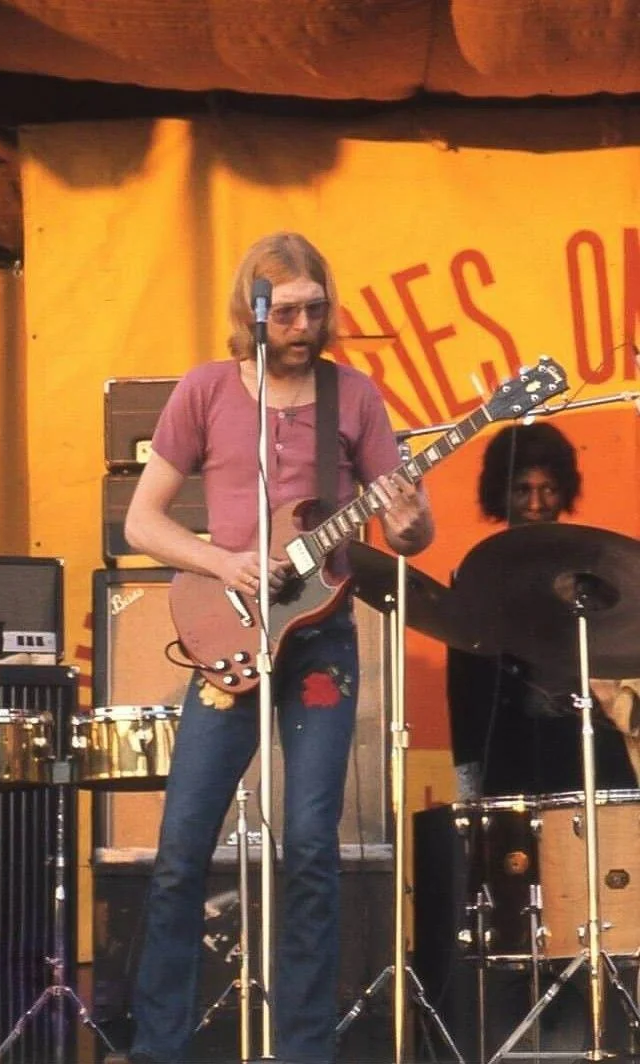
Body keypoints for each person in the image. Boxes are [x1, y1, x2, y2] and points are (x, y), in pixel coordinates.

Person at [119, 232, 434, 1064]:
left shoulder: (355, 396)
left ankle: (304, 1051)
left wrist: (410, 524)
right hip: (226, 631)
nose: (304, 324)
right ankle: (157, 1049)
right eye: (287, 310)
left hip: (322, 638)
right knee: (183, 850)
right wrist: (219, 560)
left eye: (316, 308)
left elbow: (410, 525)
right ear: (252, 312)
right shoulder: (205, 390)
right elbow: (141, 521)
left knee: (312, 848)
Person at [448, 422, 637, 800]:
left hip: (583, 741)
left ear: (564, 491)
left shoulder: (592, 568)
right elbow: (465, 695)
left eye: (547, 489)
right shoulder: (476, 575)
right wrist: (469, 792)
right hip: (507, 752)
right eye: (522, 490)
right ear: (500, 494)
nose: (535, 504)